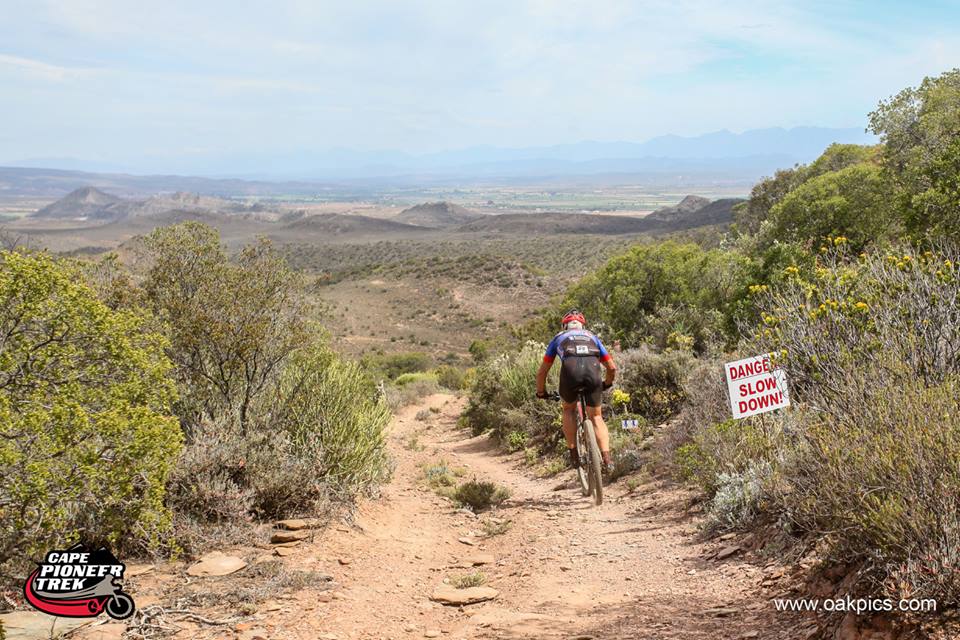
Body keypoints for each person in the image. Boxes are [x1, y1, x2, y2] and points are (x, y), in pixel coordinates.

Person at [535, 309, 617, 471]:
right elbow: (612, 368)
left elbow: (542, 371)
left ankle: (573, 453)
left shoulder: (558, 338)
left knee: (568, 409)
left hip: (570, 375)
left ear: (565, 326)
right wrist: (606, 383)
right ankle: (607, 460)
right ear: (582, 326)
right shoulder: (593, 338)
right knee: (596, 417)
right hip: (593, 374)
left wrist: (541, 392)